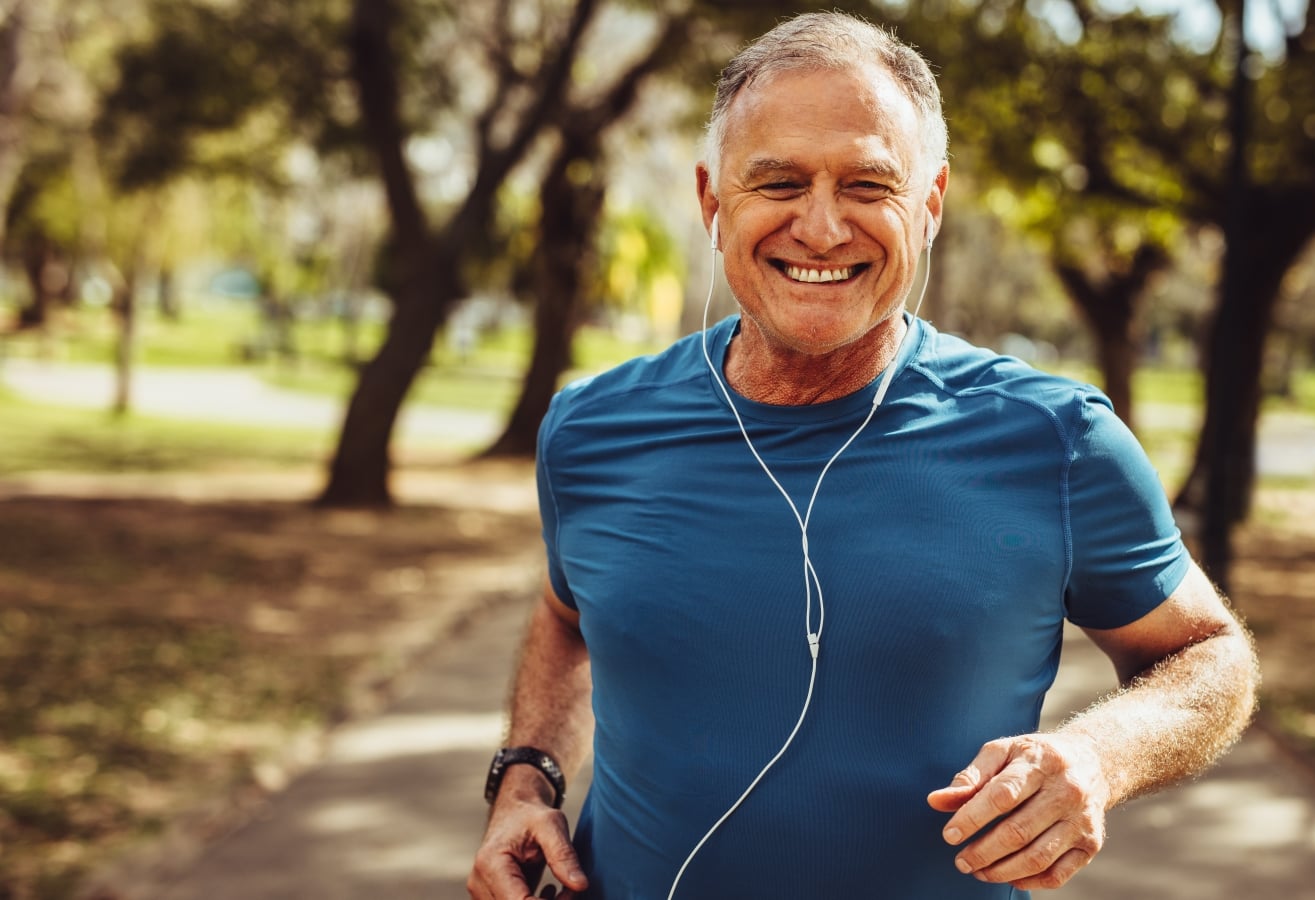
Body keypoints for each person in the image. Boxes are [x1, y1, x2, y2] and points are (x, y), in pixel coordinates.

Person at [469, 12, 1258, 900]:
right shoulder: (591, 429)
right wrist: (525, 779)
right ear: (711, 201)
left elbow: (1210, 655)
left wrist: (1098, 756)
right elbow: (567, 616)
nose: (820, 227)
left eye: (867, 184)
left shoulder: (1058, 440)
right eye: (778, 182)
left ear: (929, 204)